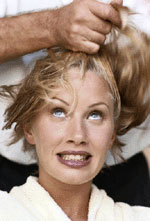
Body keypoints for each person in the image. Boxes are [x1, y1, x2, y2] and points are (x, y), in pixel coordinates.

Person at [0, 7, 150, 220]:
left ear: (112, 133)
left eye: (95, 115)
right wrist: (50, 27)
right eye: (59, 112)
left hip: (126, 170)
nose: (78, 135)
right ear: (28, 127)